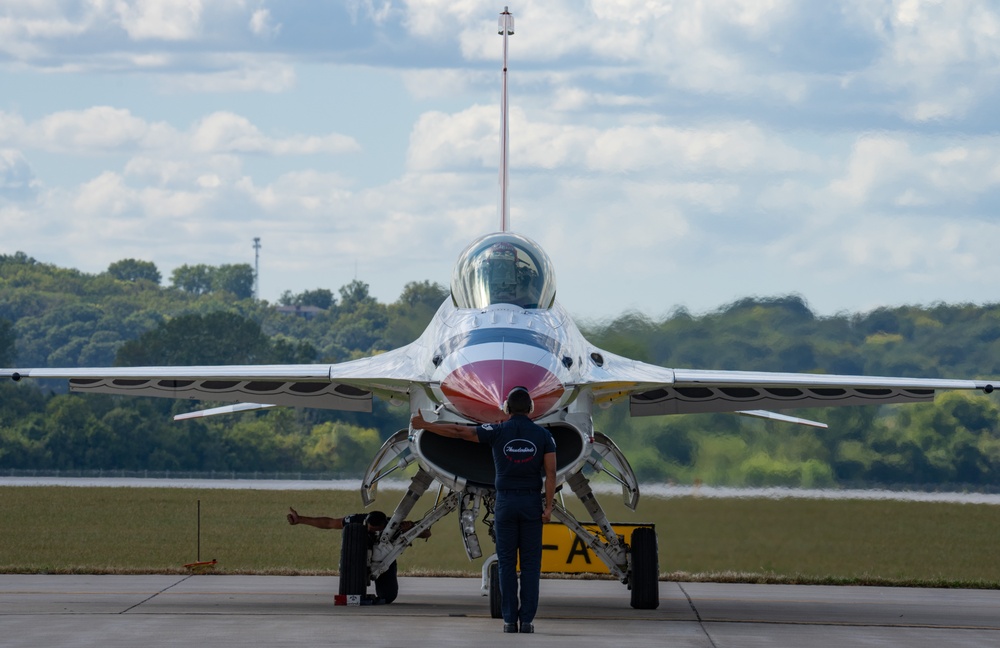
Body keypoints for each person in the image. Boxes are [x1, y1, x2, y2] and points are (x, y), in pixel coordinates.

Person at [410, 386, 556, 634]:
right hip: (532, 504)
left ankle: (509, 621)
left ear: (507, 408)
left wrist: (426, 425)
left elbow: (459, 431)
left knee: (507, 564)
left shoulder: (497, 431)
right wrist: (548, 507)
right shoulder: (544, 436)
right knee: (531, 566)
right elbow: (551, 474)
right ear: (531, 409)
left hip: (505, 504)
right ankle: (527, 621)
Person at [286, 507, 430, 604]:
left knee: (388, 597)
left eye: (375, 531)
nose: (371, 532)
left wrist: (411, 528)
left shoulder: (394, 526)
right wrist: (300, 520)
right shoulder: (356, 520)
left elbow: (426, 534)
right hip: (357, 557)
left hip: (384, 563)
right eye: (369, 529)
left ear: (383, 526)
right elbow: (330, 523)